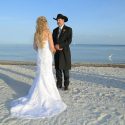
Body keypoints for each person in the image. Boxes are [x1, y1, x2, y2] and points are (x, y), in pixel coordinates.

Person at [10, 16, 67, 118]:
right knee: (48, 74)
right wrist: (56, 51)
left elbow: (34, 47)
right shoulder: (48, 32)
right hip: (47, 56)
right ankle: (49, 94)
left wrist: (40, 51)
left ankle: (37, 93)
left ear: (38, 23)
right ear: (45, 23)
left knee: (41, 75)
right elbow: (52, 47)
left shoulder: (36, 33)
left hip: (40, 56)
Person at [53, 14, 72, 90]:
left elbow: (69, 41)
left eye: (59, 20)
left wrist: (60, 46)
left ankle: (66, 85)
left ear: (63, 20)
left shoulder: (68, 29)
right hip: (57, 52)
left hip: (65, 52)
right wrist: (55, 46)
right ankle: (59, 84)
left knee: (65, 70)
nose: (57, 21)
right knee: (57, 69)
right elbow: (52, 41)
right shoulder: (54, 30)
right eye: (57, 20)